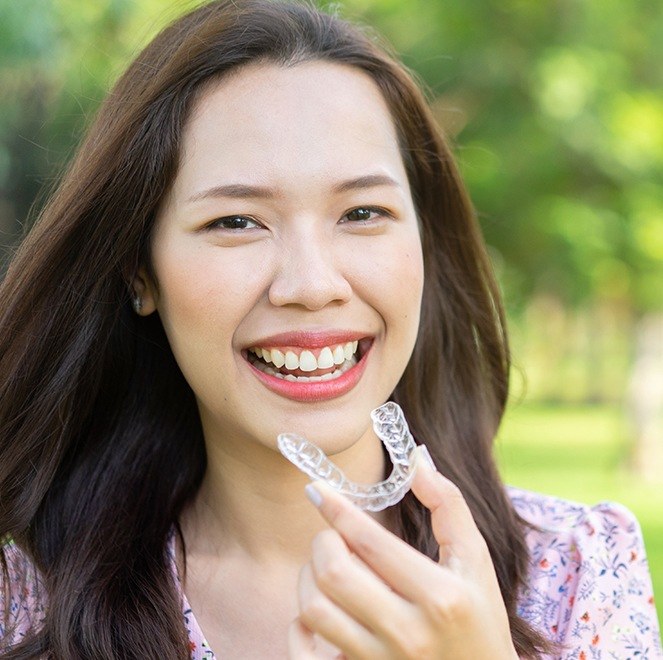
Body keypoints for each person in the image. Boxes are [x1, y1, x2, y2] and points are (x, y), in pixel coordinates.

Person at [0, 1, 660, 658]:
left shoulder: (577, 571)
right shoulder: (29, 599)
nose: (312, 285)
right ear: (139, 272)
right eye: (236, 222)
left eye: (362, 212)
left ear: (423, 242)